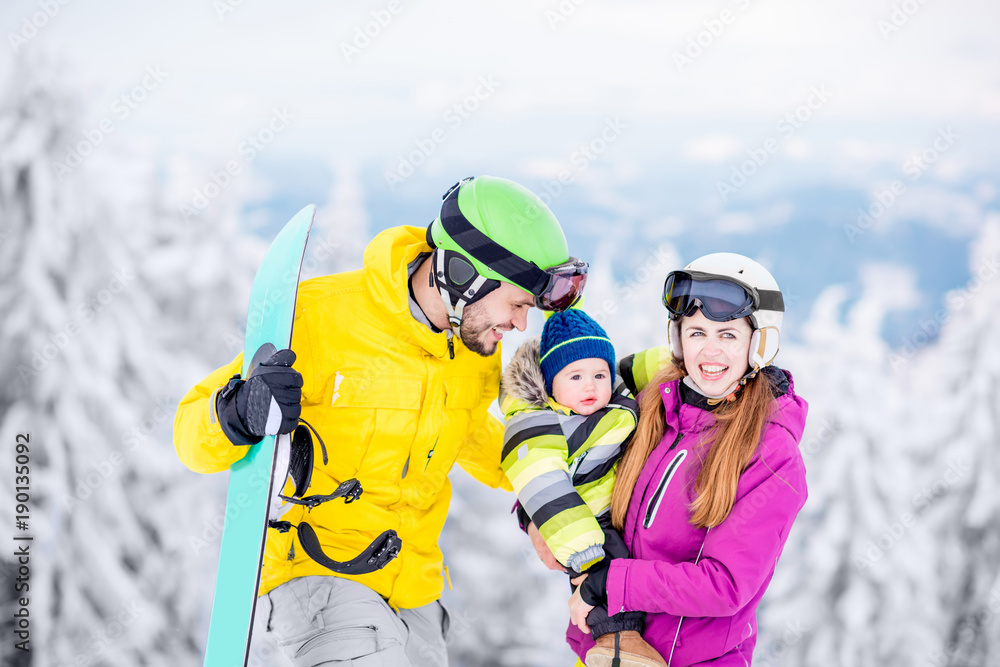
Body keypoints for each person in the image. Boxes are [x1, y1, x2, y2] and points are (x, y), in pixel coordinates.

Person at [173, 175, 588, 666]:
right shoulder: (321, 317)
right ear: (463, 275)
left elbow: (476, 438)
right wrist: (238, 412)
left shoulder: (473, 351)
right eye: (517, 304)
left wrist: (551, 493)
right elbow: (187, 433)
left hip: (417, 597)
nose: (521, 324)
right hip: (322, 582)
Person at [566, 252, 808, 666]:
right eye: (696, 332)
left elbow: (725, 585)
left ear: (760, 343)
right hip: (608, 652)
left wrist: (613, 582)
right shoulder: (655, 405)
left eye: (728, 335)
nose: (709, 351)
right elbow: (579, 455)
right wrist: (535, 515)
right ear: (677, 339)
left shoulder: (771, 453)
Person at [500, 307, 667, 667]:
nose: (590, 385)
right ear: (549, 384)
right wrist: (584, 551)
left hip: (612, 512)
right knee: (608, 572)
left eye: (598, 374)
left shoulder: (612, 397)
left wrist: (687, 355)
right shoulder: (539, 423)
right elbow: (542, 482)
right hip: (580, 525)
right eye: (574, 376)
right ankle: (618, 646)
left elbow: (643, 367)